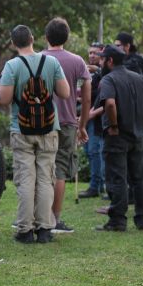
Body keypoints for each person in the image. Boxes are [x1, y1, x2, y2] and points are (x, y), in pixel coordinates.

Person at [0, 25, 69, 244]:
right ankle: (45, 228)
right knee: (46, 178)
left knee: (26, 179)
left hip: (21, 128)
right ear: (32, 38)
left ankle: (25, 230)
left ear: (13, 43)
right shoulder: (51, 62)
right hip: (49, 128)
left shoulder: (11, 66)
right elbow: (65, 93)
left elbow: (5, 99)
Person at [94, 45, 143, 232]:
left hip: (117, 136)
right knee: (138, 178)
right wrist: (139, 118)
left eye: (102, 59)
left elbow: (110, 104)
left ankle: (117, 220)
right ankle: (142, 218)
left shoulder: (108, 79)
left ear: (110, 61)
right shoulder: (138, 78)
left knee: (117, 177)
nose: (100, 62)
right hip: (137, 135)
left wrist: (113, 125)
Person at [42, 18, 91, 234]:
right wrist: (82, 125)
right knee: (60, 169)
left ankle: (35, 216)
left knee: (40, 167)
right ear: (67, 37)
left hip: (40, 121)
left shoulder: (38, 58)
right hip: (68, 120)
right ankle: (55, 218)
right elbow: (87, 98)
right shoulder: (77, 61)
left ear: (46, 37)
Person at [79, 42, 106, 199]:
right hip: (85, 116)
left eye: (95, 53)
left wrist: (98, 70)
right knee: (89, 151)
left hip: (98, 117)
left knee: (95, 151)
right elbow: (79, 91)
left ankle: (97, 186)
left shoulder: (104, 72)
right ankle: (96, 184)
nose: (91, 56)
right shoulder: (87, 72)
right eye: (90, 53)